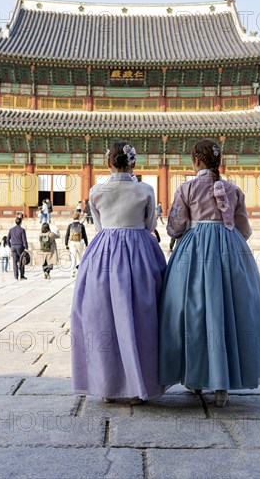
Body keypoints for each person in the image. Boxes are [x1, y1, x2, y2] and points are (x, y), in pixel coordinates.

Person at [158, 138, 260, 408]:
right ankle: (222, 385)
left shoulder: (187, 188)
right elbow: (244, 228)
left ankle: (195, 377)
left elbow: (176, 226)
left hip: (194, 250)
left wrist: (186, 231)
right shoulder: (234, 189)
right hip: (230, 248)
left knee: (190, 311)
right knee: (229, 311)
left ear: (196, 161)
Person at [71, 141, 166, 403]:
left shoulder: (96, 191)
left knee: (101, 317)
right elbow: (150, 224)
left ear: (108, 163)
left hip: (103, 253)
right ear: (133, 162)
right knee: (142, 317)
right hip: (140, 251)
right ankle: (139, 387)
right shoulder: (145, 189)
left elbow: (100, 225)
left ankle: (106, 387)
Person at [65, 212, 88, 278]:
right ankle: (80, 271)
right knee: (80, 257)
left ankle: (73, 272)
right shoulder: (81, 225)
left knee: (73, 257)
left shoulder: (70, 225)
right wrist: (86, 244)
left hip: (72, 242)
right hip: (79, 242)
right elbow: (84, 235)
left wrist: (66, 243)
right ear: (79, 217)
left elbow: (67, 235)